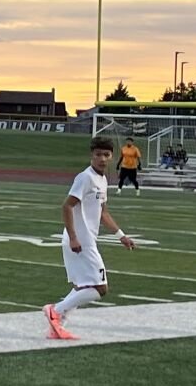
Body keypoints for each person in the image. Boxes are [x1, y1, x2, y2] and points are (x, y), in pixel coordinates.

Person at [43, 138, 136, 340]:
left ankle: (56, 326)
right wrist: (74, 237)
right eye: (98, 154)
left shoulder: (102, 180)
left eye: (106, 155)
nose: (102, 159)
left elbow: (103, 212)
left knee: (83, 287)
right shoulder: (85, 178)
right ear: (91, 155)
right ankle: (55, 310)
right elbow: (67, 206)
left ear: (111, 156)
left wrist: (121, 236)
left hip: (86, 240)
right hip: (80, 242)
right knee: (100, 288)